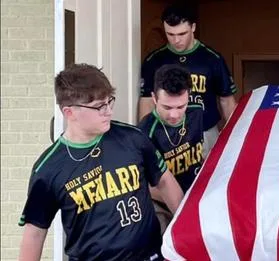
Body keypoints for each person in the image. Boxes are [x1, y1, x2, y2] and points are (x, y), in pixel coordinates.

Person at [18, 64, 184, 261]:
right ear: (70, 112)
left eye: (109, 102)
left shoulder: (133, 138)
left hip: (149, 255)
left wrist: (187, 229)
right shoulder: (48, 169)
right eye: (99, 106)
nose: (108, 111)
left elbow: (164, 181)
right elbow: (35, 233)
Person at [139, 2, 237, 158]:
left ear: (193, 27)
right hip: (166, 133)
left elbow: (226, 101)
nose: (176, 40)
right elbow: (147, 101)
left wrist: (236, 136)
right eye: (170, 34)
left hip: (205, 132)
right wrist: (144, 139)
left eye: (182, 34)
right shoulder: (154, 61)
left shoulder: (212, 59)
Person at [138, 64, 204, 234]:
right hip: (161, 205)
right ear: (154, 98)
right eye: (167, 107)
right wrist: (180, 204)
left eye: (180, 107)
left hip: (197, 196)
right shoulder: (143, 133)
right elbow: (144, 184)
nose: (174, 115)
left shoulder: (196, 112)